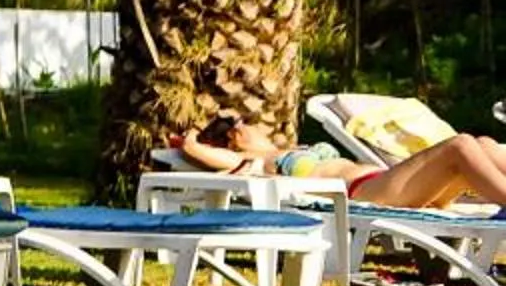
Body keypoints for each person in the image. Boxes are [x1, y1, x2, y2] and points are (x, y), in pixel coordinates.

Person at [181, 112, 506, 210]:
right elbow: (190, 148)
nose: (247, 125)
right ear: (232, 140)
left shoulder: (293, 147)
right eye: (239, 125)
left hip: (388, 181)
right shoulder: (248, 163)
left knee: (484, 145)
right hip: (366, 193)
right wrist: (198, 131)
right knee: (461, 145)